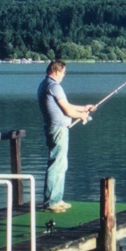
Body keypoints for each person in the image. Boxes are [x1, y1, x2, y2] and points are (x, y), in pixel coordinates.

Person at [37, 59, 96, 213]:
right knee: (57, 163)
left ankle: (57, 198)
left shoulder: (45, 84)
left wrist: (84, 109)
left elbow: (67, 106)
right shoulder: (55, 86)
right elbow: (68, 112)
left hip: (56, 128)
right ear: (57, 71)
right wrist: (82, 116)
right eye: (63, 72)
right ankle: (51, 202)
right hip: (58, 129)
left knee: (61, 164)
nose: (64, 75)